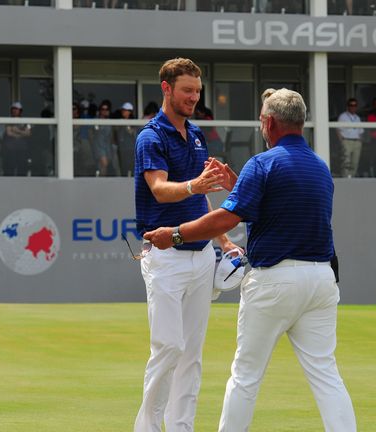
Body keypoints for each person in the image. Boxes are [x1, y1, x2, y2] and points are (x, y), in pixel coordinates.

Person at [144, 87, 357, 432]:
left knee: (245, 376)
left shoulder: (262, 163)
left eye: (262, 120)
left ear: (270, 123)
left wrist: (176, 234)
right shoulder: (320, 167)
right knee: (326, 375)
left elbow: (225, 220)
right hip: (320, 281)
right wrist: (240, 185)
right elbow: (280, 211)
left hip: (274, 281)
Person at [132, 57, 239, 432]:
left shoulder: (195, 134)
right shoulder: (151, 136)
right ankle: (146, 428)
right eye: (186, 91)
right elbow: (160, 191)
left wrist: (224, 242)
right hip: (165, 256)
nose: (194, 97)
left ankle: (181, 428)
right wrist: (196, 184)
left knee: (191, 355)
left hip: (201, 257)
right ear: (166, 88)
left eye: (197, 91)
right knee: (169, 348)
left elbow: (200, 201)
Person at [1, 101, 31, 176]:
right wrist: (22, 133)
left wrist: (16, 130)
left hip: (22, 149)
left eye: (16, 109)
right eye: (13, 109)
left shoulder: (25, 121)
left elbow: (28, 133)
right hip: (10, 150)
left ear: (20, 110)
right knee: (9, 170)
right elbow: (9, 132)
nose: (14, 110)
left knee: (22, 170)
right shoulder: (9, 120)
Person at [337, 98, 363, 177]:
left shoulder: (358, 118)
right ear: (348, 106)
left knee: (355, 162)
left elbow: (361, 131)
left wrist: (360, 141)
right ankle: (345, 178)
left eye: (355, 105)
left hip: (356, 142)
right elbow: (338, 129)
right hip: (346, 141)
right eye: (351, 105)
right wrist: (342, 141)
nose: (353, 107)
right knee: (346, 162)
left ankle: (352, 178)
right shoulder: (343, 116)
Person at [92, 100, 120, 176]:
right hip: (98, 147)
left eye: (107, 109)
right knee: (103, 164)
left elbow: (112, 136)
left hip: (108, 147)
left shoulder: (110, 121)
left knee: (107, 166)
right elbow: (91, 134)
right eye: (103, 109)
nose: (105, 111)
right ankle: (100, 182)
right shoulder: (95, 121)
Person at [114, 101, 137, 177]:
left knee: (133, 169)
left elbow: (134, 134)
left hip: (131, 149)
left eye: (125, 110)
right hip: (122, 149)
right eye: (122, 110)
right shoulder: (119, 121)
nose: (123, 112)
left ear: (129, 112)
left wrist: (130, 130)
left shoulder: (134, 122)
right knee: (123, 169)